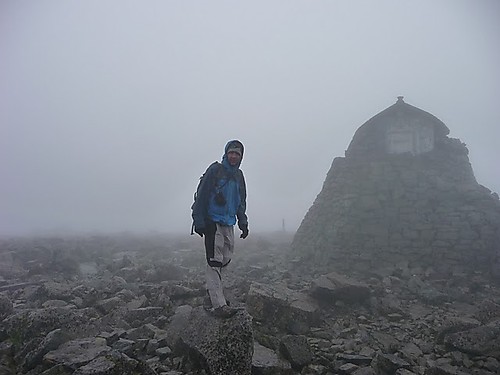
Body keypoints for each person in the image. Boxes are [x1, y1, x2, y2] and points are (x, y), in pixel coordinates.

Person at [191, 140, 249, 318]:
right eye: (231, 153)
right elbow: (201, 195)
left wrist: (243, 221)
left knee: (226, 259)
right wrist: (198, 219)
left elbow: (241, 201)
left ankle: (213, 294)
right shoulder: (215, 171)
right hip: (212, 221)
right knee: (215, 260)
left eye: (237, 154)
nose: (233, 156)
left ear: (241, 157)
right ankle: (218, 304)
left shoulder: (239, 176)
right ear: (226, 153)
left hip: (229, 222)